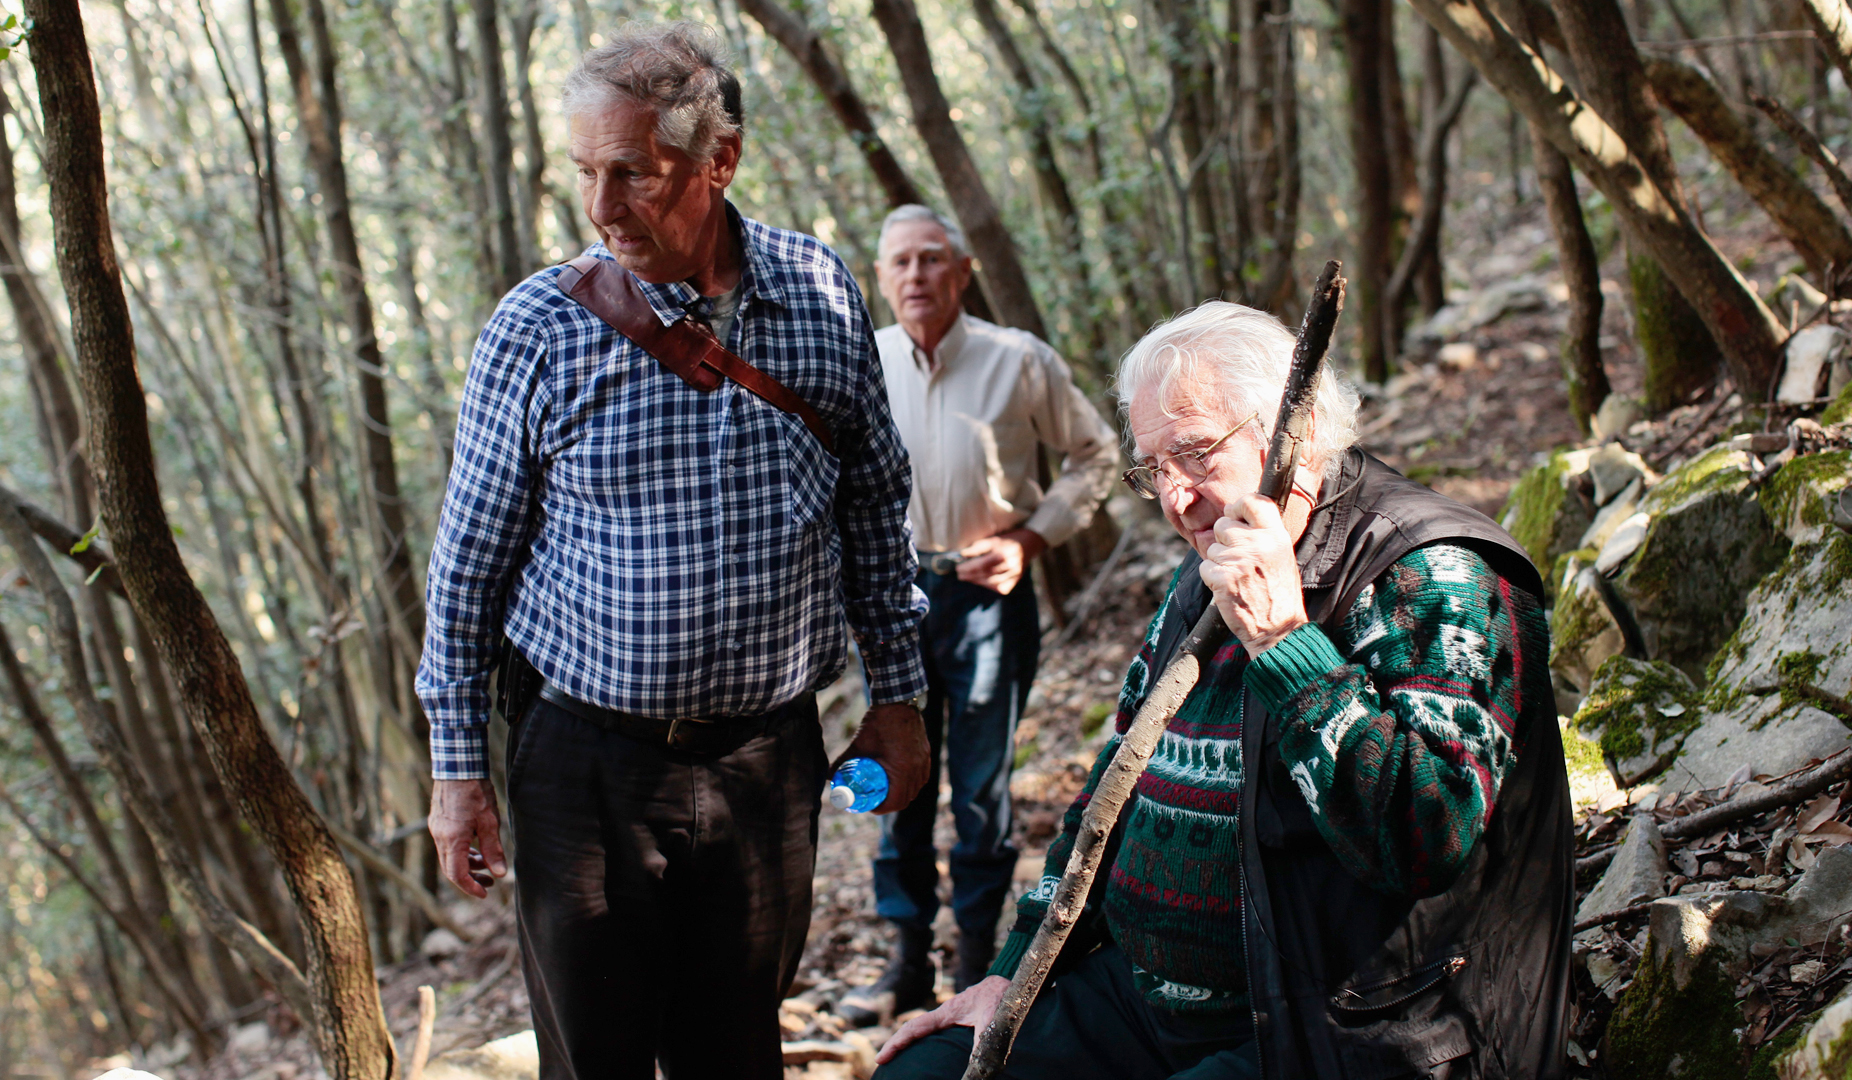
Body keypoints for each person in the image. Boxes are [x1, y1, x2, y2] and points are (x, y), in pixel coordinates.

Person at [415, 23, 931, 1079]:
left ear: (718, 163)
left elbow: (875, 506)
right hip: (585, 767)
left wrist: (899, 697)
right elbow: (468, 565)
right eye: (586, 175)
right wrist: (457, 771)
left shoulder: (821, 293)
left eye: (634, 176)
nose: (603, 209)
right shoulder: (538, 330)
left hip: (766, 761)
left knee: (735, 1054)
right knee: (596, 1061)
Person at [874, 302, 1572, 1080]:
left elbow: (1426, 836)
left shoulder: (1438, 572)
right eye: (1152, 470)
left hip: (1350, 1024)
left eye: (1196, 453)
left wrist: (1284, 642)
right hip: (1146, 1004)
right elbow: (1115, 787)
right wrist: (1013, 971)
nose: (1176, 499)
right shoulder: (1206, 570)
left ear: (1292, 432)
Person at [838, 206, 1121, 1025]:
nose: (918, 276)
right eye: (902, 263)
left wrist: (1031, 540)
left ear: (962, 272)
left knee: (981, 786)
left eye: (934, 260)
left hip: (989, 592)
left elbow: (1097, 452)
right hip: (889, 603)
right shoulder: (861, 363)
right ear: (882, 277)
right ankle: (903, 962)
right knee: (891, 779)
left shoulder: (1017, 360)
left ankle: (976, 964)